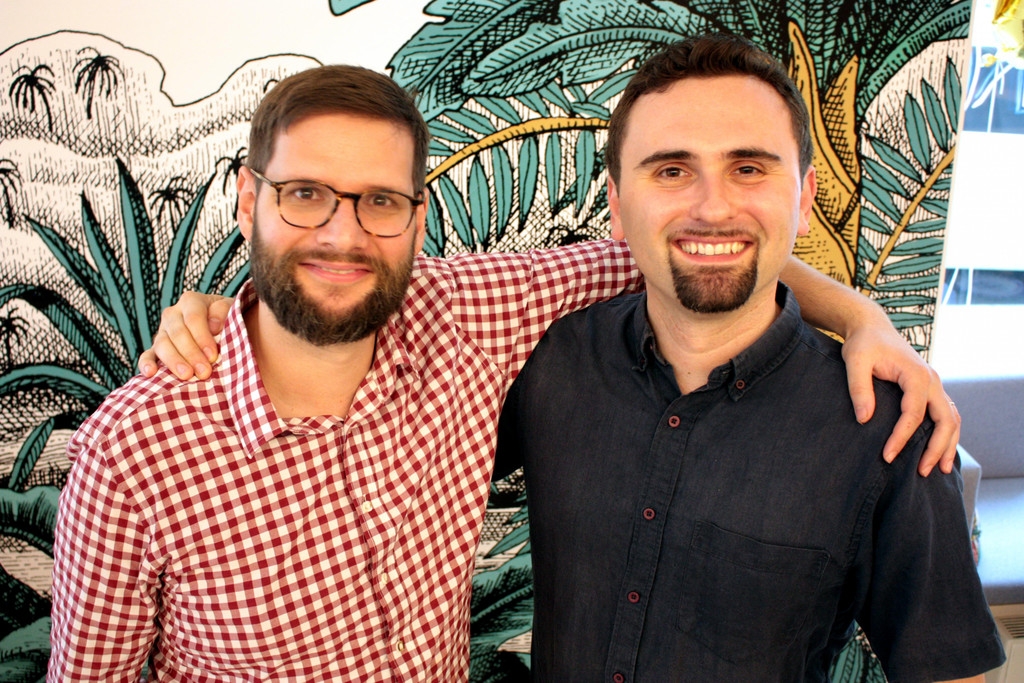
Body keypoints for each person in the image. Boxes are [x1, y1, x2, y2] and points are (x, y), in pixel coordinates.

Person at [57, 61, 957, 681]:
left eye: (380, 201)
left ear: (416, 220)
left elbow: (693, 246)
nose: (341, 233)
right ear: (249, 199)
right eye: (304, 195)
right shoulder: (132, 453)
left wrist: (861, 315)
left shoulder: (468, 317)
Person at [494, 34, 1004, 682]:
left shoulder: (890, 428)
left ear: (804, 198)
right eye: (671, 170)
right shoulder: (547, 363)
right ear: (617, 206)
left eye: (750, 168)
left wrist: (864, 318)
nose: (713, 208)